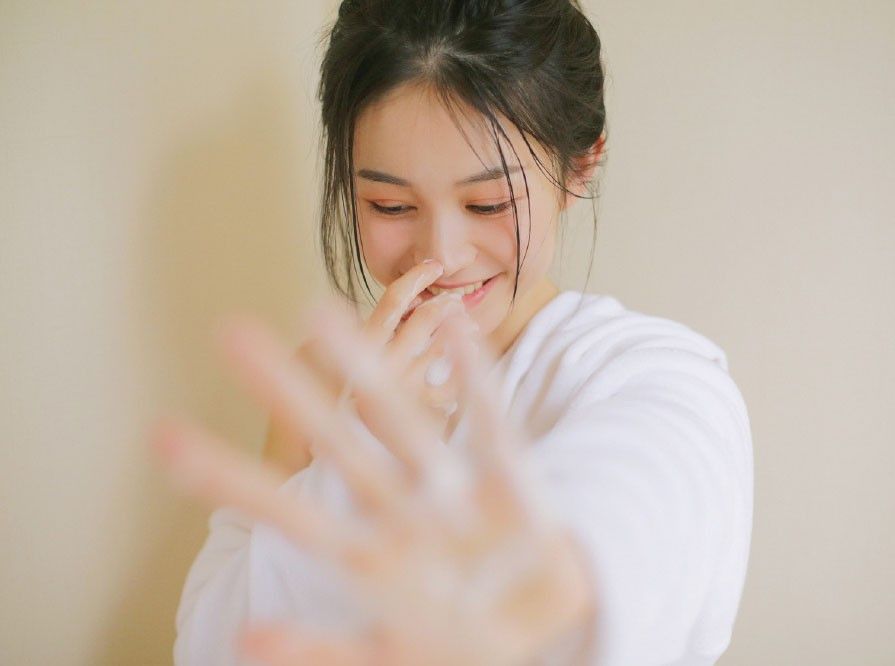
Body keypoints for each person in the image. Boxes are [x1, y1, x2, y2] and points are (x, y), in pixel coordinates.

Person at [151, 1, 754, 664]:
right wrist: (359, 444)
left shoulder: (653, 374)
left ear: (579, 166)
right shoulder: (320, 379)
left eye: (486, 204)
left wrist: (529, 598)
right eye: (390, 205)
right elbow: (211, 645)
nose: (440, 252)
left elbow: (648, 483)